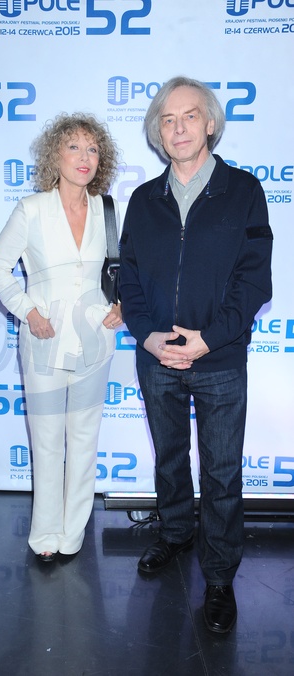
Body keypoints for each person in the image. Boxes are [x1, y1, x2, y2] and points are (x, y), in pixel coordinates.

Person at [119, 76, 273, 633]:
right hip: (156, 357)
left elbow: (254, 282)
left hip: (220, 359)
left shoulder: (244, 190)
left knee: (223, 471)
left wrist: (209, 339)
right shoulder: (143, 200)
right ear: (157, 132)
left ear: (210, 124)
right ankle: (176, 533)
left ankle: (220, 578)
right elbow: (128, 280)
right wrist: (148, 337)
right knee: (168, 458)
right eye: (167, 119)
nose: (178, 127)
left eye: (189, 116)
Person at [0, 113, 121, 563]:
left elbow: (123, 270)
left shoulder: (107, 210)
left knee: (84, 438)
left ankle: (73, 530)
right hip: (44, 340)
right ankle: (45, 532)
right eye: (73, 147)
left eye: (92, 149)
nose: (84, 157)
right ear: (55, 155)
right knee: (46, 440)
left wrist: (122, 305)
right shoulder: (31, 209)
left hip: (95, 340)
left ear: (101, 160)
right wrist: (27, 310)